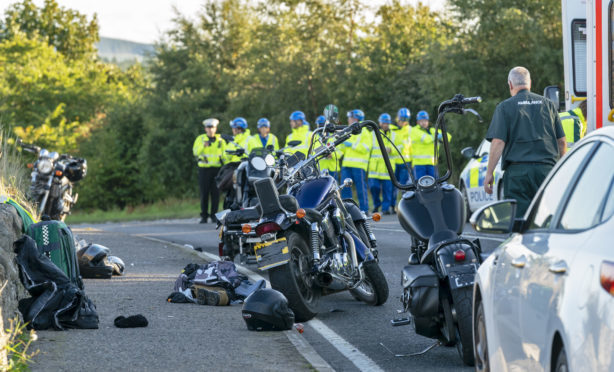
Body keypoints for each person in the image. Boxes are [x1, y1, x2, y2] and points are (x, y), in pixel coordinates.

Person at [484, 66, 566, 216]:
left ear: (510, 84)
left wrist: (489, 173)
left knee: (519, 222)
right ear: (530, 82)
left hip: (517, 175)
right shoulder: (548, 105)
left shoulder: (504, 107)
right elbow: (561, 141)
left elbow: (498, 142)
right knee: (547, 217)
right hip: (546, 171)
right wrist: (563, 169)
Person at [193, 118, 225, 223]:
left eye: (213, 127)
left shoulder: (220, 140)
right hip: (204, 169)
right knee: (204, 193)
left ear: (215, 128)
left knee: (215, 194)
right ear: (205, 128)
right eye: (208, 127)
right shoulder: (201, 139)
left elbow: (225, 153)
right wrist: (203, 146)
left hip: (217, 169)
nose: (210, 130)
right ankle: (204, 216)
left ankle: (214, 216)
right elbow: (195, 152)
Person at [340, 109, 371, 212]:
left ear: (357, 119)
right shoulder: (349, 131)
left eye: (351, 118)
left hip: (359, 165)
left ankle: (364, 210)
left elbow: (366, 148)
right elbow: (343, 149)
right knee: (345, 189)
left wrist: (352, 145)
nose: (349, 120)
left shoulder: (366, 132)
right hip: (346, 165)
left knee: (361, 189)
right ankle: (347, 210)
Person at [410, 110, 451, 180]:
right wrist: (437, 137)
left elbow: (449, 137)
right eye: (421, 121)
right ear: (418, 122)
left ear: (428, 122)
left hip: (432, 164)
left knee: (435, 185)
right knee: (421, 186)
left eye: (425, 121)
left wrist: (442, 136)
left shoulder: (432, 130)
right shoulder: (414, 130)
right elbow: (426, 139)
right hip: (419, 164)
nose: (424, 123)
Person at [369, 113, 395, 214]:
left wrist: (391, 150)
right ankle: (376, 205)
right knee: (373, 188)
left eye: (387, 123)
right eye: (383, 123)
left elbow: (400, 148)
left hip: (387, 168)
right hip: (374, 168)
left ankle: (385, 209)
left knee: (387, 190)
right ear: (379, 123)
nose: (385, 125)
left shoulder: (394, 134)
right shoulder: (373, 134)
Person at [391, 108, 412, 209]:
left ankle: (404, 205)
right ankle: (393, 205)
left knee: (403, 185)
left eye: (404, 120)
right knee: (394, 186)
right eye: (401, 119)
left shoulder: (410, 130)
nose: (402, 122)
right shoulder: (394, 130)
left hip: (405, 162)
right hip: (395, 162)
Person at [314, 115, 341, 181]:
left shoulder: (334, 136)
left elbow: (340, 151)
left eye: (322, 125)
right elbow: (314, 151)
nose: (321, 128)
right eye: (319, 125)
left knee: (334, 188)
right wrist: (323, 154)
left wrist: (332, 155)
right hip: (320, 168)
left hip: (333, 168)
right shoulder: (315, 137)